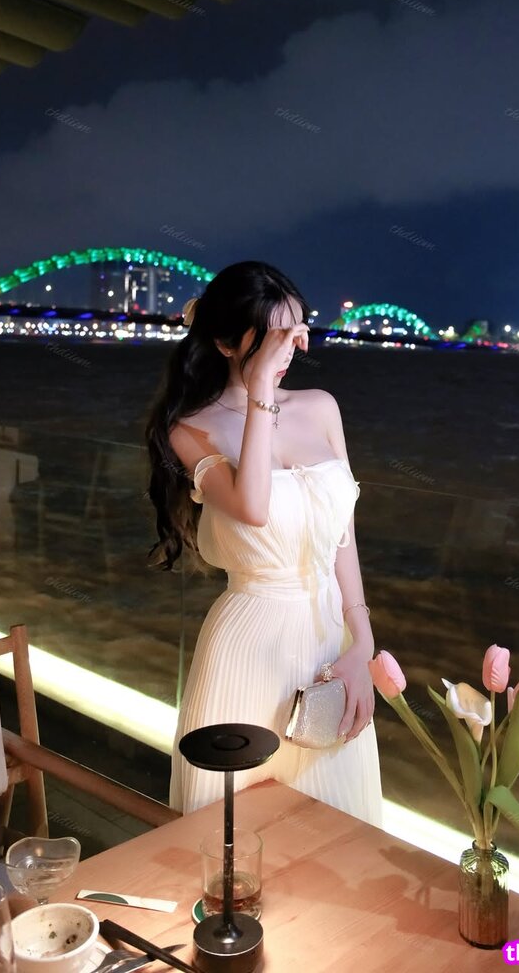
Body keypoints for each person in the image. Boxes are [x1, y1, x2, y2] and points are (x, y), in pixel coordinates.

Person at [145, 261, 382, 827]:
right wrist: (259, 395)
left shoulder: (321, 407)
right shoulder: (191, 429)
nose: (291, 346)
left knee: (335, 826)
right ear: (227, 343)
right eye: (275, 333)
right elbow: (253, 508)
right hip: (248, 646)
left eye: (296, 329)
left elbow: (342, 535)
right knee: (230, 830)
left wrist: (362, 645)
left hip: (328, 641)